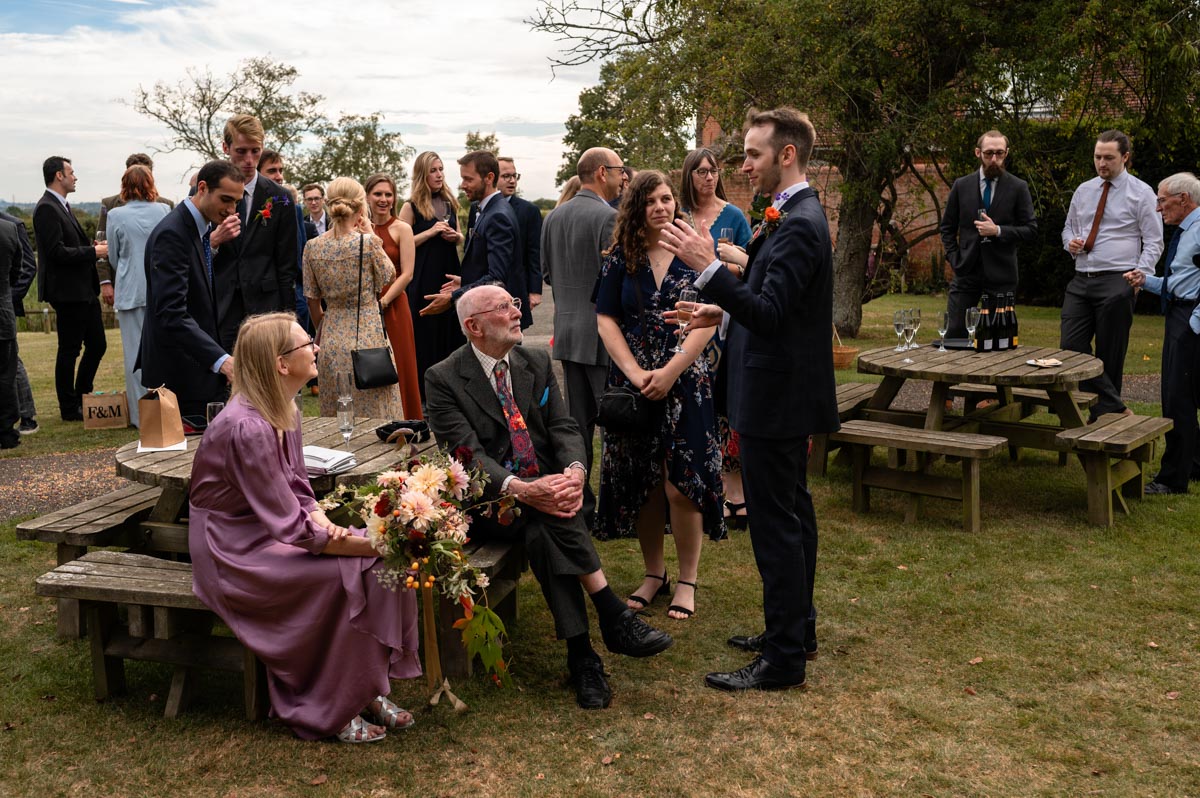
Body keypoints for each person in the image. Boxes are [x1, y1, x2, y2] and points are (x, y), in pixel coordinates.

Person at [425, 284, 674, 709]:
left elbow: (563, 427)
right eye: (504, 307)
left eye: (515, 303)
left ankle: (584, 655)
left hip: (544, 493)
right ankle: (610, 616)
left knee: (545, 525)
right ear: (474, 325)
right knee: (547, 514)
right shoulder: (444, 377)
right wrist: (522, 488)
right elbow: (469, 457)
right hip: (491, 501)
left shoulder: (535, 361)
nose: (517, 312)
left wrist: (574, 472)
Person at [661, 106, 839, 691]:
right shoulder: (788, 216)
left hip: (777, 396)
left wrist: (707, 268)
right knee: (793, 514)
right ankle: (796, 629)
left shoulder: (801, 222)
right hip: (781, 389)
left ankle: (784, 657)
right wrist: (716, 308)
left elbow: (768, 313)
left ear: (786, 154)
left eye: (753, 154)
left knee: (775, 525)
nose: (744, 165)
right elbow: (768, 299)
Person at [189, 312, 420, 743]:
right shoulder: (248, 427)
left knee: (375, 568)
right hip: (231, 548)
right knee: (343, 574)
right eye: (306, 344)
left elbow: (298, 486)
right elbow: (293, 531)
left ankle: (366, 687)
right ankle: (329, 706)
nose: (316, 348)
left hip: (270, 531)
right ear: (281, 364)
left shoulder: (286, 408)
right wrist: (375, 542)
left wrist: (326, 521)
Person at [593, 171, 724, 621]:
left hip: (685, 380)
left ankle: (687, 579)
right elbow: (606, 320)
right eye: (650, 201)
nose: (661, 207)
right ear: (636, 209)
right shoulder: (619, 260)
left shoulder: (694, 254)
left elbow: (708, 321)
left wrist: (669, 371)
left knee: (680, 483)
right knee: (644, 482)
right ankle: (654, 574)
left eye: (667, 198)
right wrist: (634, 372)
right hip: (634, 383)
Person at [540, 147, 625, 528]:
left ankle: (581, 505)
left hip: (567, 333)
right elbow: (615, 279)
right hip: (603, 335)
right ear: (602, 173)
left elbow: (546, 273)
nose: (625, 178)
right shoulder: (609, 217)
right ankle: (611, 508)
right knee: (614, 425)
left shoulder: (553, 217)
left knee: (577, 428)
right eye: (621, 171)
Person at [1061, 129, 1163, 420]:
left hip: (1119, 280)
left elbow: (1154, 241)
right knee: (1071, 347)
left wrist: (1139, 277)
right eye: (1097, 157)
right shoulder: (1084, 190)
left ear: (1125, 157)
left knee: (1110, 354)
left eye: (1109, 157)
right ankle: (1116, 408)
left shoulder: (1142, 193)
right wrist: (1070, 243)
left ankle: (1103, 418)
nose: (1101, 163)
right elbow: (1068, 228)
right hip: (1081, 279)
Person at [679, 147, 753, 529]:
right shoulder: (679, 215)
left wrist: (720, 263)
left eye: (712, 171)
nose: (708, 177)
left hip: (722, 319)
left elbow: (749, 268)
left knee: (725, 404)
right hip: (687, 315)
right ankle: (695, 482)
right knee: (694, 401)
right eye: (700, 171)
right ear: (689, 175)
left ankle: (733, 488)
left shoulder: (734, 216)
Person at [140, 160, 244, 424]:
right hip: (179, 375)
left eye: (236, 203)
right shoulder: (173, 234)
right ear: (202, 188)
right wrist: (222, 361)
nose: (231, 210)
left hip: (195, 370)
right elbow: (172, 313)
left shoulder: (199, 229)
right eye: (225, 200)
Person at [303, 177, 405, 419]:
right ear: (361, 208)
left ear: (328, 204)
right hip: (368, 336)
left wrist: (323, 328)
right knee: (378, 413)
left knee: (336, 414)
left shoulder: (313, 246)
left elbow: (312, 300)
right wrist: (371, 234)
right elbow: (389, 275)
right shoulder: (366, 243)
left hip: (332, 337)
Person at [1123, 172, 1200, 495]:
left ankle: (1172, 479)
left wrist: (1195, 323)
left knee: (1177, 398)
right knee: (1183, 395)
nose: (1158, 208)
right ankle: (1194, 466)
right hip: (1179, 314)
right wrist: (1146, 280)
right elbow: (1182, 280)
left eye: (1162, 200)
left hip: (1190, 320)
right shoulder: (1188, 230)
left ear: (1184, 199)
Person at [212, 114, 299, 353]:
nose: (249, 160)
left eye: (255, 151)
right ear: (225, 148)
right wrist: (214, 242)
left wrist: (288, 320)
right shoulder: (206, 190)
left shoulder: (280, 197)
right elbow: (189, 252)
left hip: (266, 308)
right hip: (220, 305)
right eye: (241, 151)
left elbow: (287, 265)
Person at [940, 130, 1038, 338]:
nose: (994, 159)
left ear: (1007, 153)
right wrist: (954, 258)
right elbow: (947, 227)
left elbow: (1030, 230)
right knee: (954, 333)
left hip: (1001, 274)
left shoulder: (1018, 187)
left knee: (996, 339)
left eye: (1000, 153)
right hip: (966, 270)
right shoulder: (961, 185)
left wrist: (999, 231)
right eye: (989, 153)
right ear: (978, 153)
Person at [33, 156, 109, 421]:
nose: (75, 177)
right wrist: (93, 251)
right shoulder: (46, 208)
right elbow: (55, 253)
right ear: (58, 176)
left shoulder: (62, 206)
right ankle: (69, 407)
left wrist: (89, 248)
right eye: (71, 172)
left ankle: (82, 397)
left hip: (84, 290)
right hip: (67, 292)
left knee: (98, 345)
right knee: (69, 350)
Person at [424, 151, 530, 329]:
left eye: (468, 179)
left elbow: (497, 278)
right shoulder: (491, 209)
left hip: (498, 318)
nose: (463, 185)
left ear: (489, 178)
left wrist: (454, 296)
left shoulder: (497, 216)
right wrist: (466, 279)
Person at [105, 165, 171, 427]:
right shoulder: (164, 210)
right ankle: (165, 408)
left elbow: (112, 255)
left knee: (134, 355)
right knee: (163, 351)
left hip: (130, 288)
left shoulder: (115, 215)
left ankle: (139, 416)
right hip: (160, 287)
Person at [399, 152, 466, 403]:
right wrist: (430, 233)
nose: (439, 175)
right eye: (433, 170)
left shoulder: (450, 201)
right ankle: (425, 395)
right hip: (423, 277)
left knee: (450, 332)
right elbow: (401, 243)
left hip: (448, 273)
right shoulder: (410, 206)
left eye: (441, 169)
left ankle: (451, 392)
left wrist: (454, 236)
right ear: (422, 174)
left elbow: (461, 237)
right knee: (425, 334)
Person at [365, 173, 423, 419]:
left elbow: (407, 273)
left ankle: (409, 422)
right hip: (367, 306)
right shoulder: (359, 228)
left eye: (388, 194)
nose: (383, 199)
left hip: (395, 305)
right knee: (370, 366)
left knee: (402, 365)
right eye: (378, 194)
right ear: (367, 196)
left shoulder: (402, 228)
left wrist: (385, 302)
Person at [96, 153, 175, 310]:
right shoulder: (111, 205)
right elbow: (103, 245)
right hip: (126, 283)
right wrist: (106, 282)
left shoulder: (167, 206)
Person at [0, 209, 39, 434]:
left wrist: (9, 297)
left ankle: (27, 415)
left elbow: (27, 267)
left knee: (13, 363)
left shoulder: (13, 224)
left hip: (6, 305)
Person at [497, 157, 544, 309]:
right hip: (484, 287)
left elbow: (534, 253)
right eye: (506, 176)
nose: (512, 181)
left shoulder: (529, 211)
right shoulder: (476, 208)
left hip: (516, 286)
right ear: (491, 177)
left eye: (514, 176)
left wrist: (535, 290)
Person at [0, 217, 23, 448]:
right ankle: (6, 432)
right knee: (6, 375)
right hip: (3, 312)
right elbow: (17, 270)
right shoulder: (8, 229)